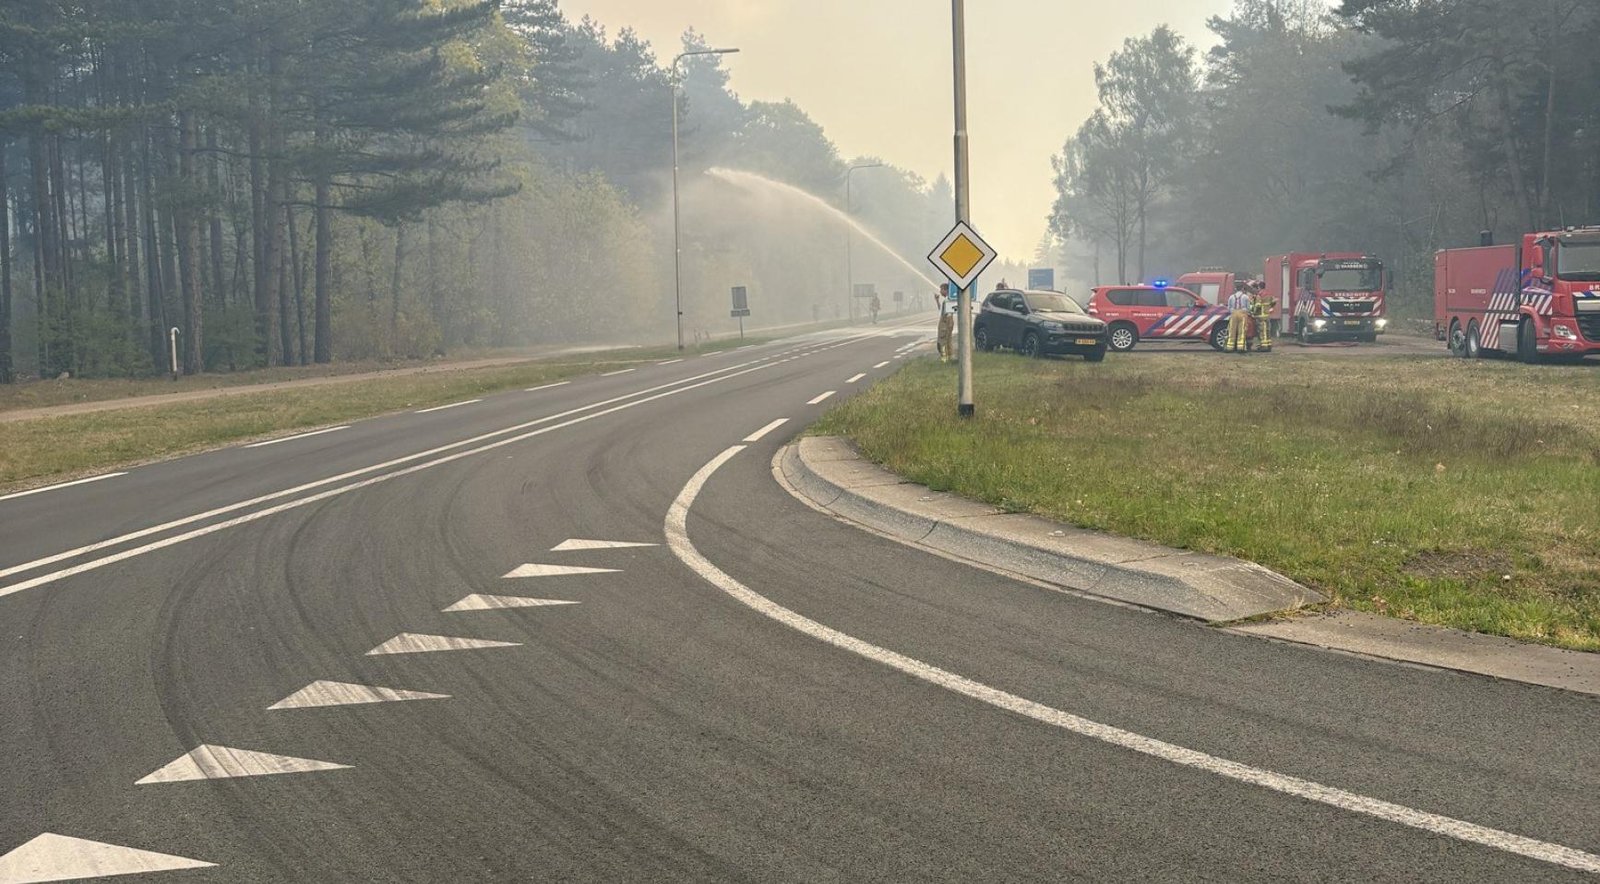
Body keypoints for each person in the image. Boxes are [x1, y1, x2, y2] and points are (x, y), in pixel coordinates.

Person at [1225, 281, 1253, 354]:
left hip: (1233, 313)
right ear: (1242, 289)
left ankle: (1229, 347)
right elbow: (1248, 307)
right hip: (1243, 314)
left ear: (1235, 289)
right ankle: (1240, 347)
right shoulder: (1245, 297)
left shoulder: (1231, 297)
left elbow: (1229, 307)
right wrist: (1246, 312)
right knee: (1242, 331)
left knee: (1232, 330)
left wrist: (1232, 312)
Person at [1250, 280, 1274, 352]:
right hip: (1267, 315)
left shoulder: (1259, 295)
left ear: (1259, 287)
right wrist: (1269, 308)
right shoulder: (1269, 294)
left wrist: (1253, 312)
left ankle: (1264, 346)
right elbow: (1273, 302)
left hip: (1260, 316)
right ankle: (1269, 345)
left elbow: (1257, 305)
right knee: (1267, 331)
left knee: (1262, 332)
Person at [935, 284, 958, 362]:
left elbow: (947, 313)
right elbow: (941, 310)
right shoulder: (946, 300)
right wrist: (937, 300)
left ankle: (944, 358)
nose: (940, 292)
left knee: (942, 340)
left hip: (945, 322)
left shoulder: (948, 300)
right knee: (947, 340)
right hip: (946, 321)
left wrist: (947, 323)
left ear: (946, 290)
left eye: (941, 289)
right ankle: (950, 357)